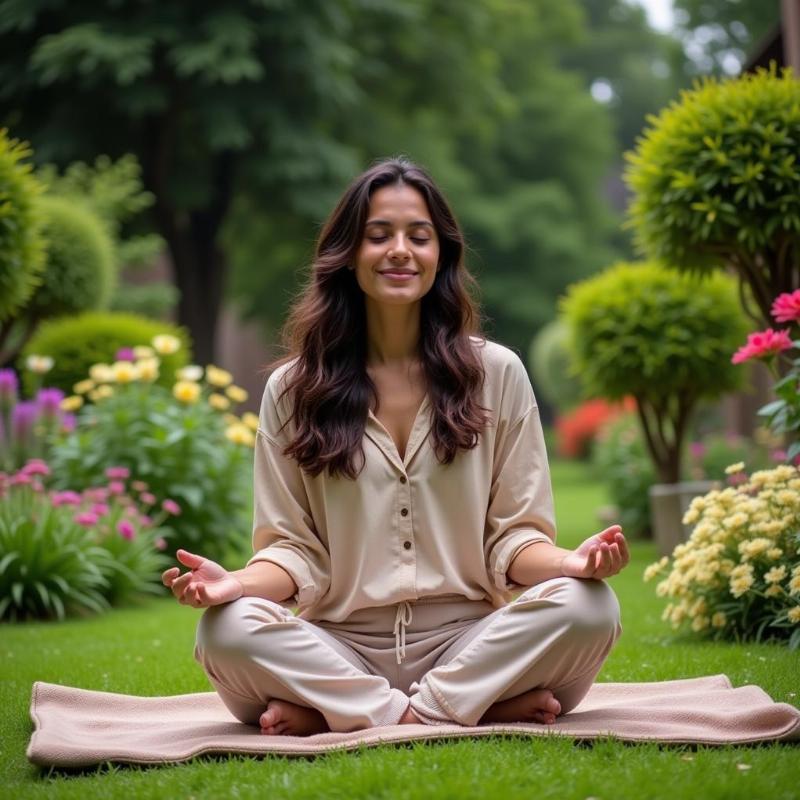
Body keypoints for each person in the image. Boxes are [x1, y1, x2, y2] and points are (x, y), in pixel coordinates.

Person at [162, 156, 628, 737]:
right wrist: (237, 585)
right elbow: (291, 549)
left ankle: (351, 712)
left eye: (419, 236)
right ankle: (458, 709)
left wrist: (572, 564)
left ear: (442, 254)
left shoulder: (497, 373)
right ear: (349, 254)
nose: (400, 250)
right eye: (378, 235)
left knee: (590, 607)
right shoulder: (293, 389)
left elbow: (515, 538)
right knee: (224, 630)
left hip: (474, 645)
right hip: (336, 649)